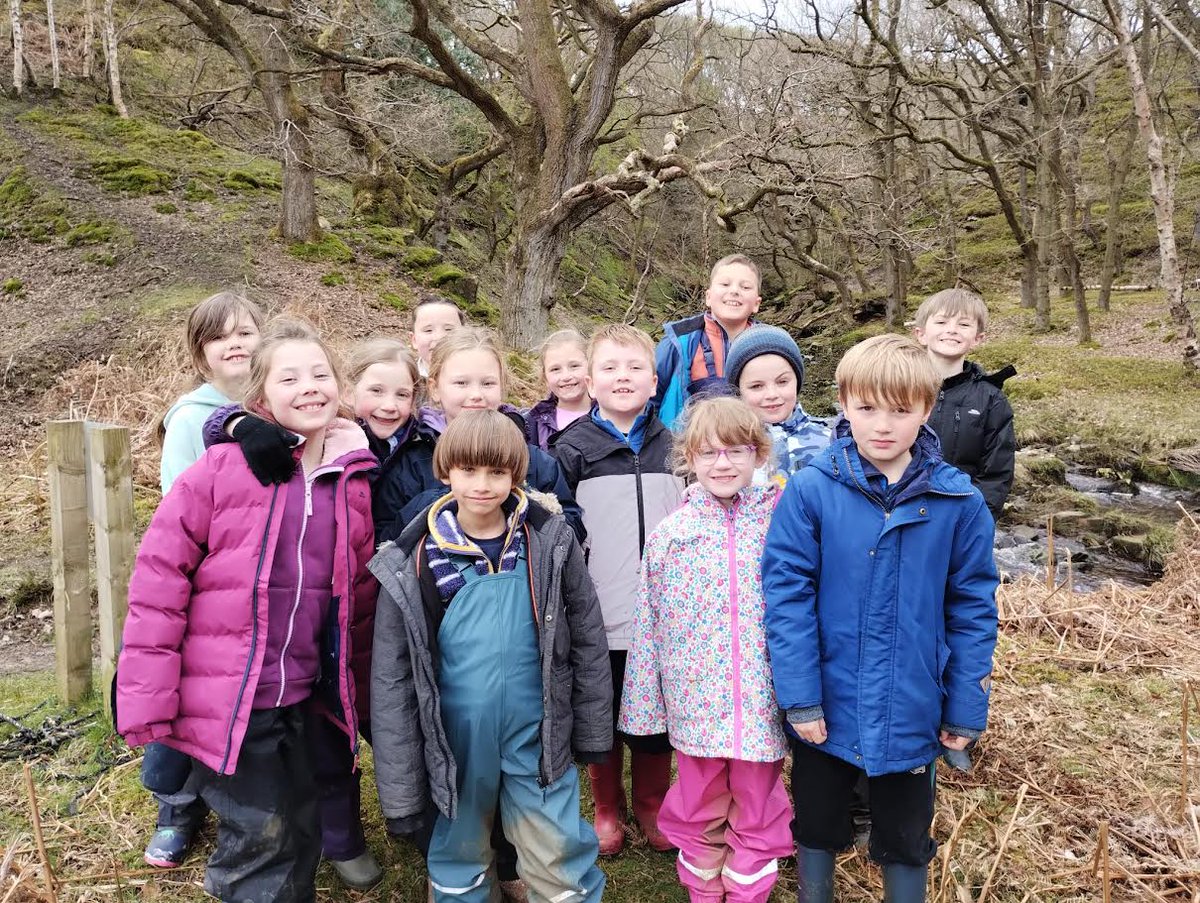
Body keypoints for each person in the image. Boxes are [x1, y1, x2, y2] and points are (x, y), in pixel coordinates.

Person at [117, 319, 378, 903]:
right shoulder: (221, 470)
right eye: (290, 377)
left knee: (301, 817)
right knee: (260, 828)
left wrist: (360, 691)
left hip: (307, 694)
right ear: (261, 395)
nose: (309, 386)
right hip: (235, 696)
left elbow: (357, 603)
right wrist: (148, 694)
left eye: (320, 373)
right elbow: (159, 582)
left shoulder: (353, 479)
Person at [763, 334, 999, 903]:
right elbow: (787, 595)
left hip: (914, 702)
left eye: (900, 410)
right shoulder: (812, 490)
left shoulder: (959, 503)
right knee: (817, 822)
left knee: (904, 834)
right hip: (827, 697)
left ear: (925, 408)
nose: (883, 425)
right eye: (867, 408)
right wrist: (799, 696)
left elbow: (972, 610)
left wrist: (964, 706)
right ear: (843, 404)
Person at [369, 410, 611, 903]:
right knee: (459, 849)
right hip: (454, 742)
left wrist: (591, 729)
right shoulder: (416, 556)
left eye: (497, 472)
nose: (482, 485)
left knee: (556, 845)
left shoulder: (547, 543)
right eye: (468, 471)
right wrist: (399, 785)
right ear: (445, 472)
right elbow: (392, 676)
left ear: (516, 475)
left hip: (539, 730)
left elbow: (587, 635)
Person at [620, 396, 793, 903]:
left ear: (759, 454)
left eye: (736, 451)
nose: (722, 463)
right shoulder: (673, 534)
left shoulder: (780, 527)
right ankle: (701, 889)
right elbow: (648, 623)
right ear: (689, 459)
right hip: (697, 705)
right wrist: (644, 705)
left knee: (758, 804)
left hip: (761, 705)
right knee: (698, 803)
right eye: (709, 452)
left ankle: (747, 892)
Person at [550, 324, 684, 856]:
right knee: (599, 713)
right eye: (609, 368)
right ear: (589, 379)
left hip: (663, 616)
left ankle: (652, 803)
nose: (622, 378)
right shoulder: (569, 449)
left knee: (657, 715)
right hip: (597, 612)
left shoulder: (676, 446)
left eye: (634, 368)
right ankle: (608, 807)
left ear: (655, 380)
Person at [143, 290, 263, 870]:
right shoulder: (191, 419)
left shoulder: (274, 404)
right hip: (207, 584)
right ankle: (176, 806)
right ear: (201, 355)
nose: (236, 344)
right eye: (221, 337)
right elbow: (179, 513)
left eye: (245, 331)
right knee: (185, 697)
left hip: (259, 586)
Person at [379, 326, 584, 543]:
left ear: (502, 386)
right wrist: (446, 500)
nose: (476, 395)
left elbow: (573, 529)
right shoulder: (411, 464)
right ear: (435, 388)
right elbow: (384, 543)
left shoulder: (534, 462)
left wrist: (519, 505)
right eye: (461, 383)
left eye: (487, 383)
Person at [913, 288, 1017, 519]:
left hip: (959, 516)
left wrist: (978, 520)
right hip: (900, 510)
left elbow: (996, 474)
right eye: (941, 321)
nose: (951, 330)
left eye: (963, 324)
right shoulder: (899, 386)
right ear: (920, 334)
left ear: (978, 338)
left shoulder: (991, 400)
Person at [653, 254, 762, 429]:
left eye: (746, 287)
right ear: (708, 297)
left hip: (748, 449)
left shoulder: (769, 345)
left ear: (756, 304)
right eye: (725, 284)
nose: (734, 291)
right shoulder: (677, 342)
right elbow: (649, 399)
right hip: (681, 448)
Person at [724, 324, 830, 484]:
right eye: (757, 386)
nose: (772, 395)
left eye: (782, 382)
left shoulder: (831, 442)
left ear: (797, 382)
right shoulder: (724, 447)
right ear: (738, 391)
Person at [526, 328, 591, 450]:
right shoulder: (533, 423)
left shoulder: (609, 415)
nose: (566, 376)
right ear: (545, 376)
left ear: (590, 367)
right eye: (555, 369)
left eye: (574, 366)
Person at [411, 294, 467, 377]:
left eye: (449, 329)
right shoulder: (405, 378)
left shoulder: (483, 374)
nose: (439, 337)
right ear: (414, 340)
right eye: (428, 330)